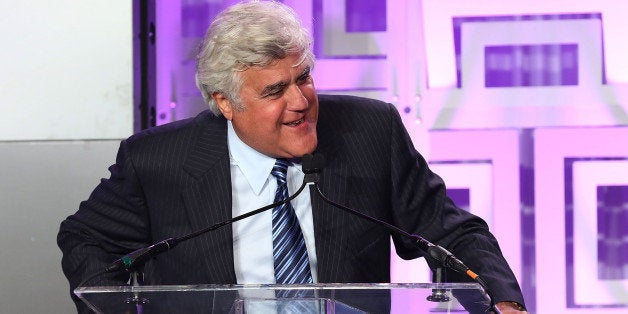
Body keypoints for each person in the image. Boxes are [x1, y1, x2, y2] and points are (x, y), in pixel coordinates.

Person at [58, 1, 527, 313]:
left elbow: (451, 232)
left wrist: (501, 302)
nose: (300, 101)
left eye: (303, 77)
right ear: (226, 102)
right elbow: (85, 238)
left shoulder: (369, 132)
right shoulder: (158, 160)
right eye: (275, 91)